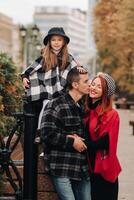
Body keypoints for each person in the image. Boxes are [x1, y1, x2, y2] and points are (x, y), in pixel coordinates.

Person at [40, 67, 91, 200]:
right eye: (86, 81)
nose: (89, 83)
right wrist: (72, 141)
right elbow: (47, 134)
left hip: (81, 167)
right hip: (62, 166)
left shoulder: (82, 106)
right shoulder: (55, 104)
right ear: (75, 85)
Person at [21, 27, 79, 138]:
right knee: (46, 105)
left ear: (64, 42)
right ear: (49, 42)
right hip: (47, 89)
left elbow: (77, 67)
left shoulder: (68, 58)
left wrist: (80, 68)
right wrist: (24, 77)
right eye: (53, 40)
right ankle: (40, 131)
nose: (56, 42)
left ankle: (69, 133)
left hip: (61, 90)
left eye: (59, 40)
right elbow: (29, 70)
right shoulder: (44, 57)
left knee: (71, 107)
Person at [84, 72, 122, 200]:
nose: (93, 88)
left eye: (99, 87)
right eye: (93, 84)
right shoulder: (87, 110)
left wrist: (81, 144)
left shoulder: (111, 114)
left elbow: (105, 142)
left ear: (105, 92)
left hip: (104, 170)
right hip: (90, 167)